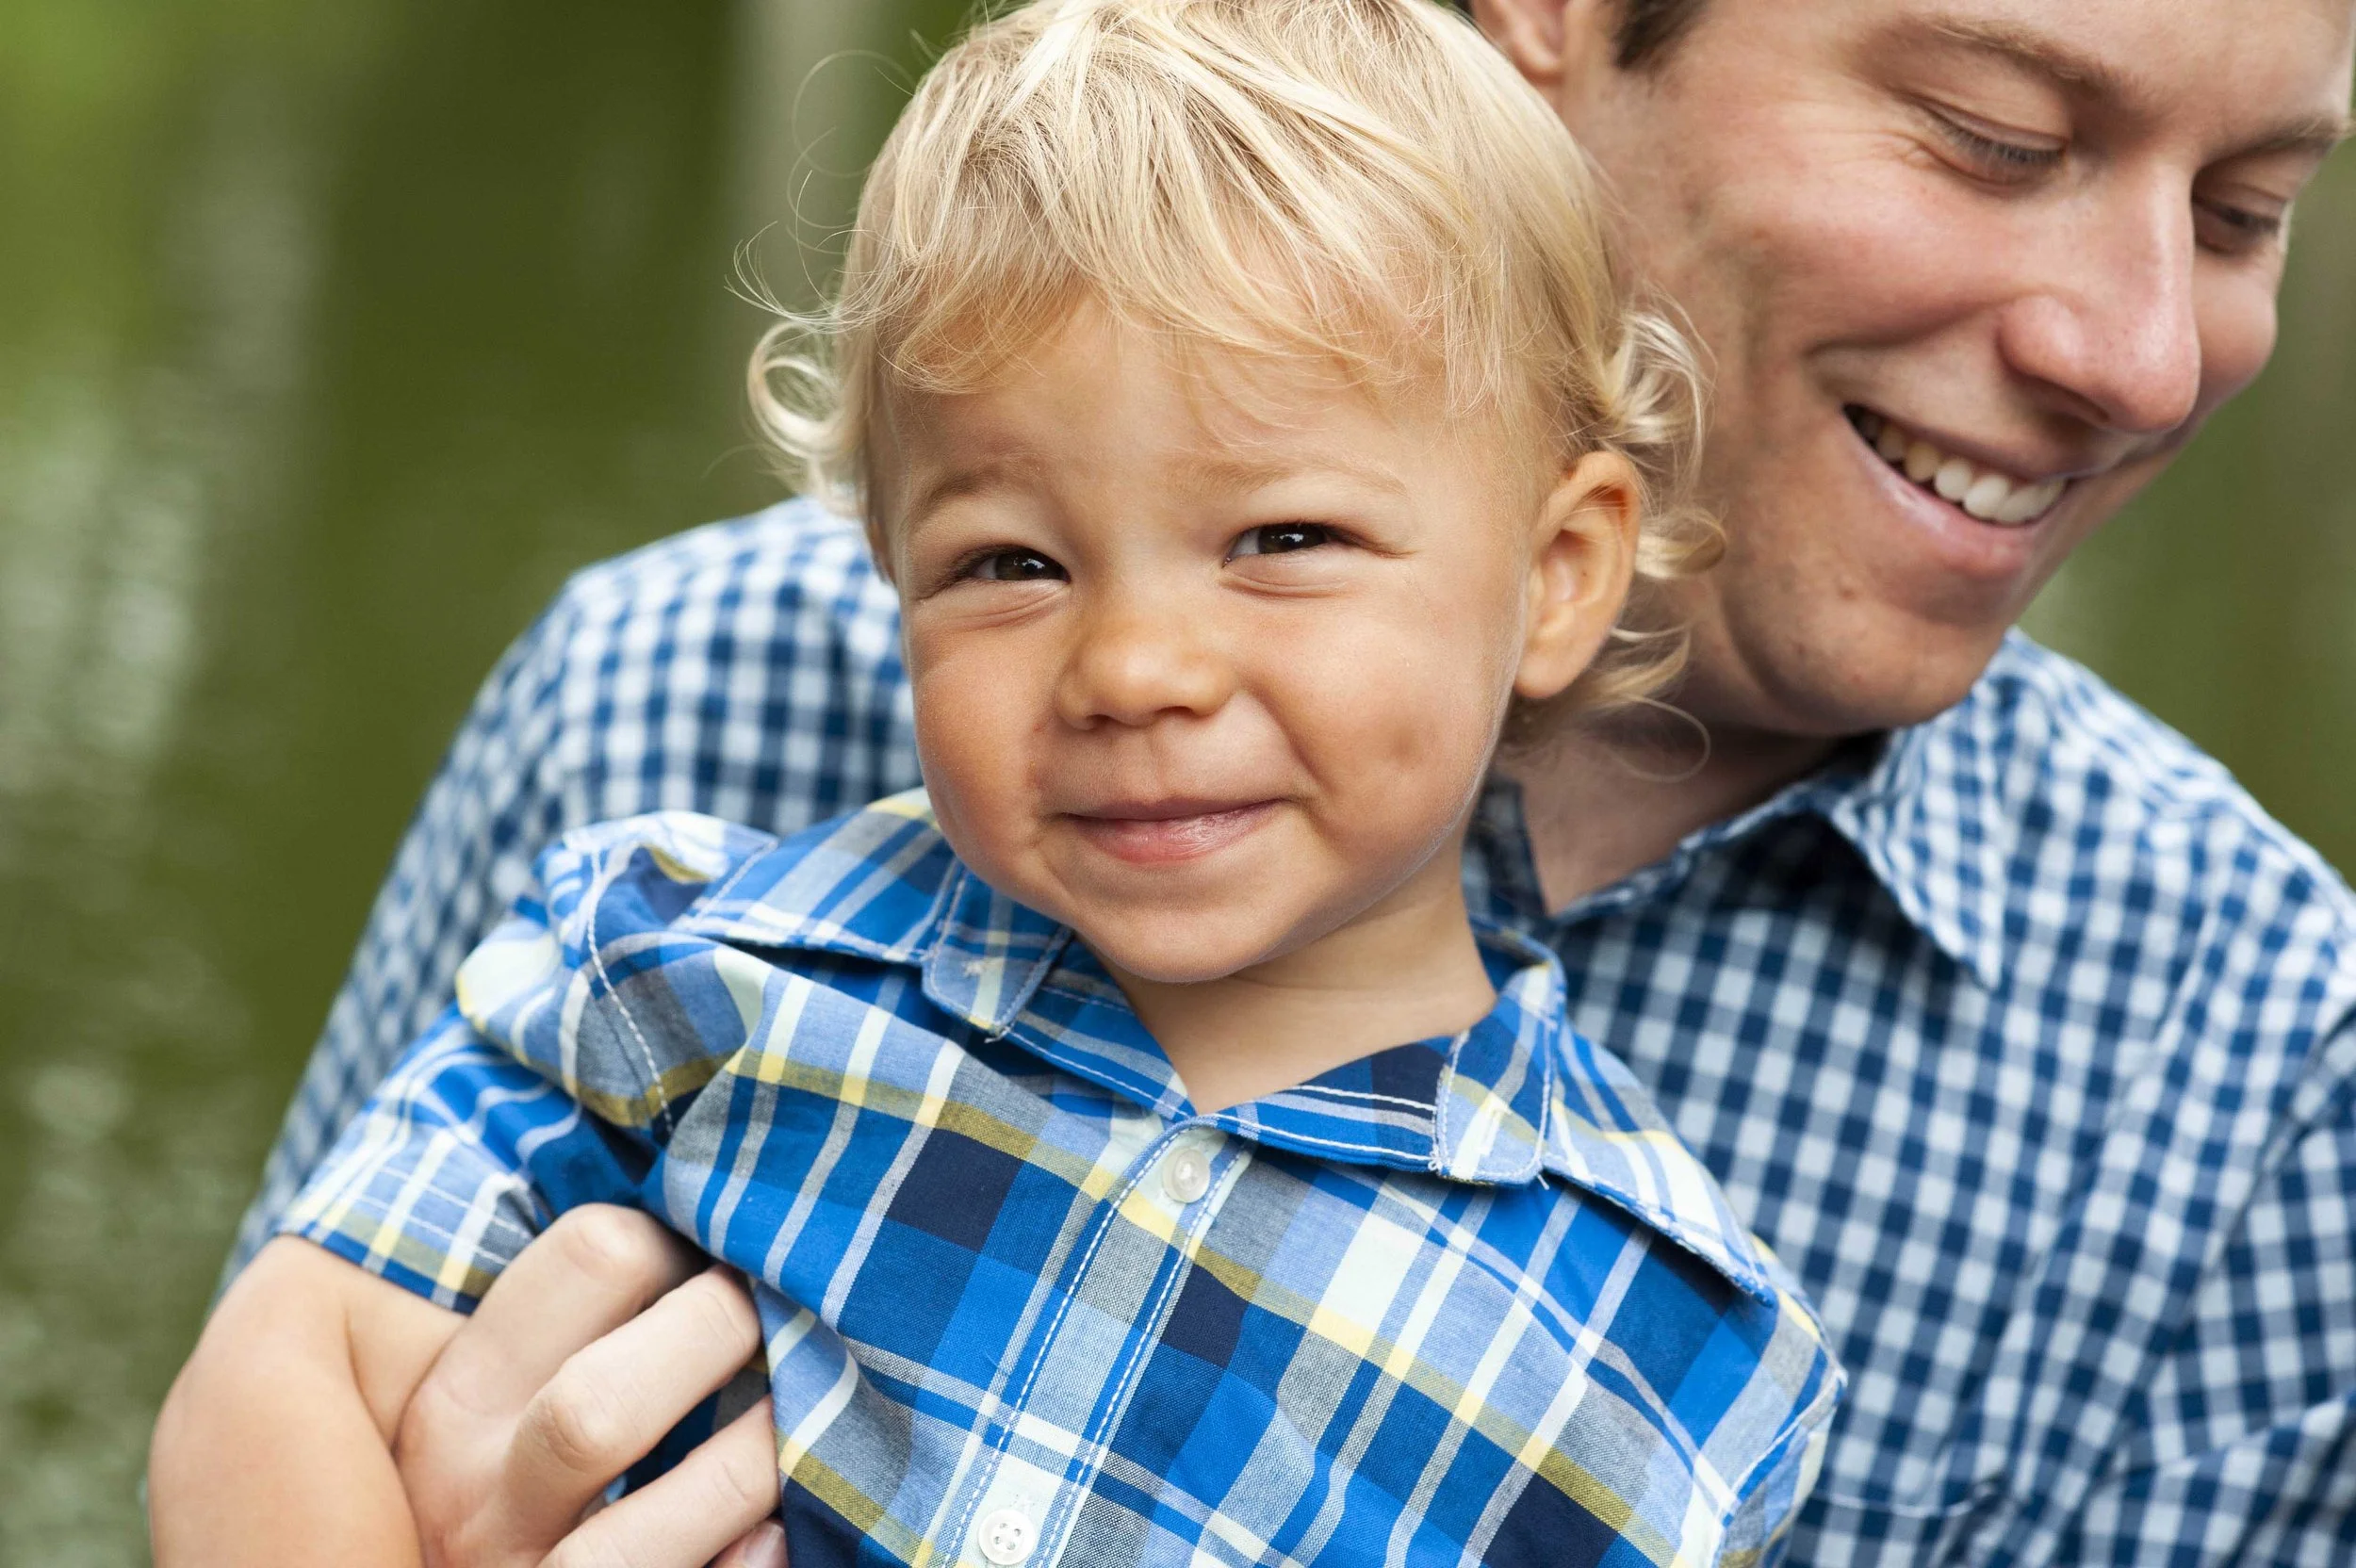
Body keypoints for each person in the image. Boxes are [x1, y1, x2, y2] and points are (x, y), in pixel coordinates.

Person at [180, 0, 2356, 1562]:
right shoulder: (673, 819)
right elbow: (283, 1374)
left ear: (1563, 565)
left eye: (2247, 211)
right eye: (1988, 131)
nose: (2136, 354)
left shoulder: (2217, 1099)